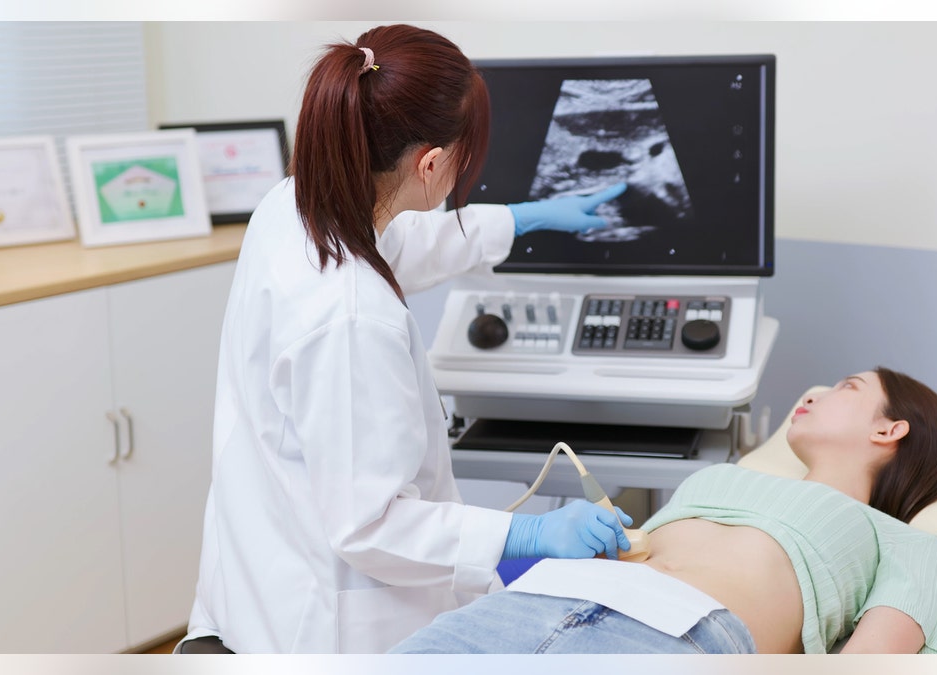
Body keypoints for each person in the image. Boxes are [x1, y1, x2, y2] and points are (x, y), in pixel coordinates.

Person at [180, 24, 632, 654]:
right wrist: (522, 537)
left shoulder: (292, 205)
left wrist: (521, 220)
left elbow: (397, 242)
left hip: (259, 570)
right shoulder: (352, 320)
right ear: (429, 164)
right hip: (324, 628)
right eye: (465, 156)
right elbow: (371, 527)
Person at [390, 367, 937, 654]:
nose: (812, 393)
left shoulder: (901, 539)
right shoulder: (726, 477)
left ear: (890, 428)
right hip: (530, 602)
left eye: (846, 386)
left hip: (677, 638)